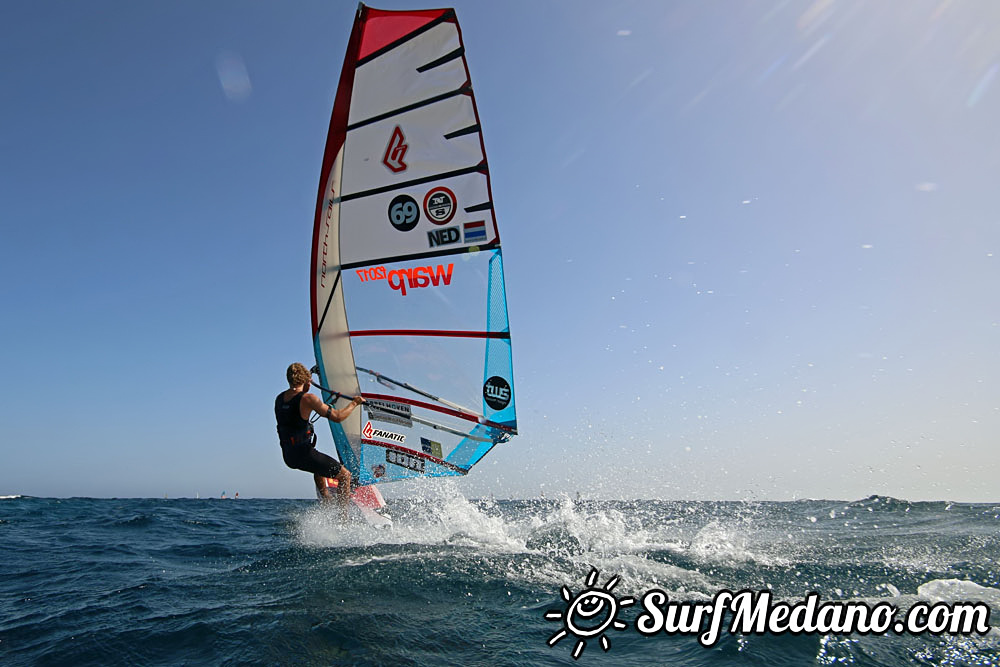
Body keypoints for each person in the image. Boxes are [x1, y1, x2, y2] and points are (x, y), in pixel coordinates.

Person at [275, 362, 364, 518]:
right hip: (303, 453)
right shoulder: (308, 398)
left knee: (317, 466)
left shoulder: (280, 399)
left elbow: (293, 419)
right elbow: (337, 417)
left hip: (289, 455)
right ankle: (343, 520)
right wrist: (354, 403)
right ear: (307, 381)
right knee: (345, 476)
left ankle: (326, 502)